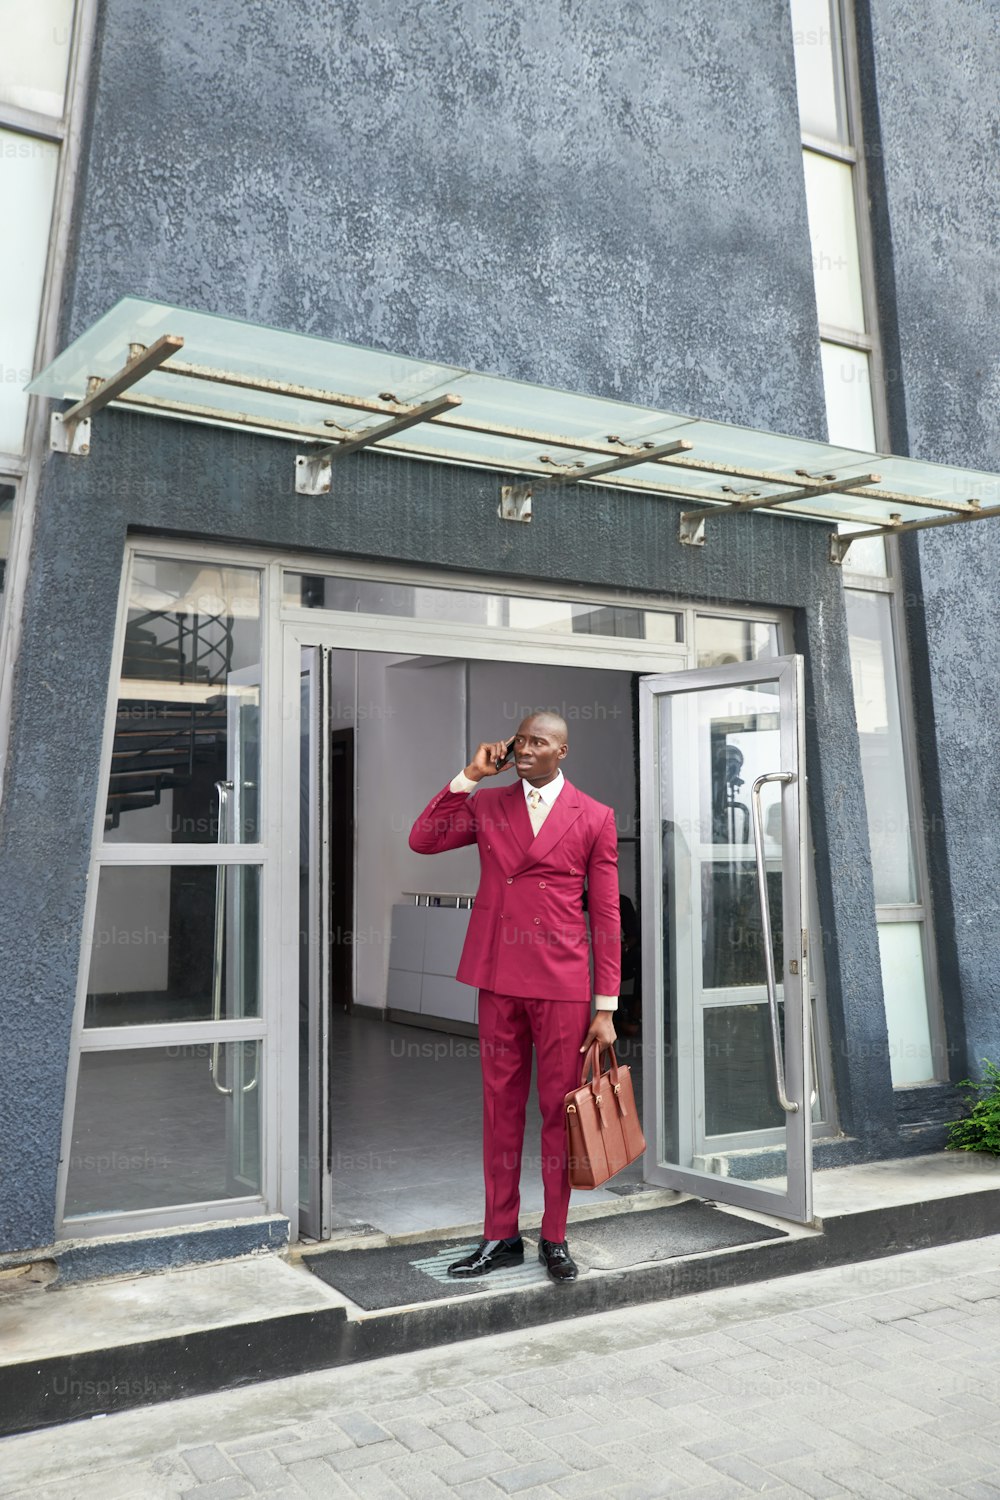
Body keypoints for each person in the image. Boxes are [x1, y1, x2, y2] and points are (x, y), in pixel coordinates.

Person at [408, 711, 620, 1283]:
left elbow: (604, 913)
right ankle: (500, 1235)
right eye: (520, 740)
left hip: (562, 984)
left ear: (562, 752)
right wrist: (470, 776)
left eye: (539, 742)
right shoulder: (488, 804)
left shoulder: (595, 816)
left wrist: (606, 1006)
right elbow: (422, 840)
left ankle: (554, 1236)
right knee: (500, 1111)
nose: (525, 749)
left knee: (559, 1111)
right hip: (499, 976)